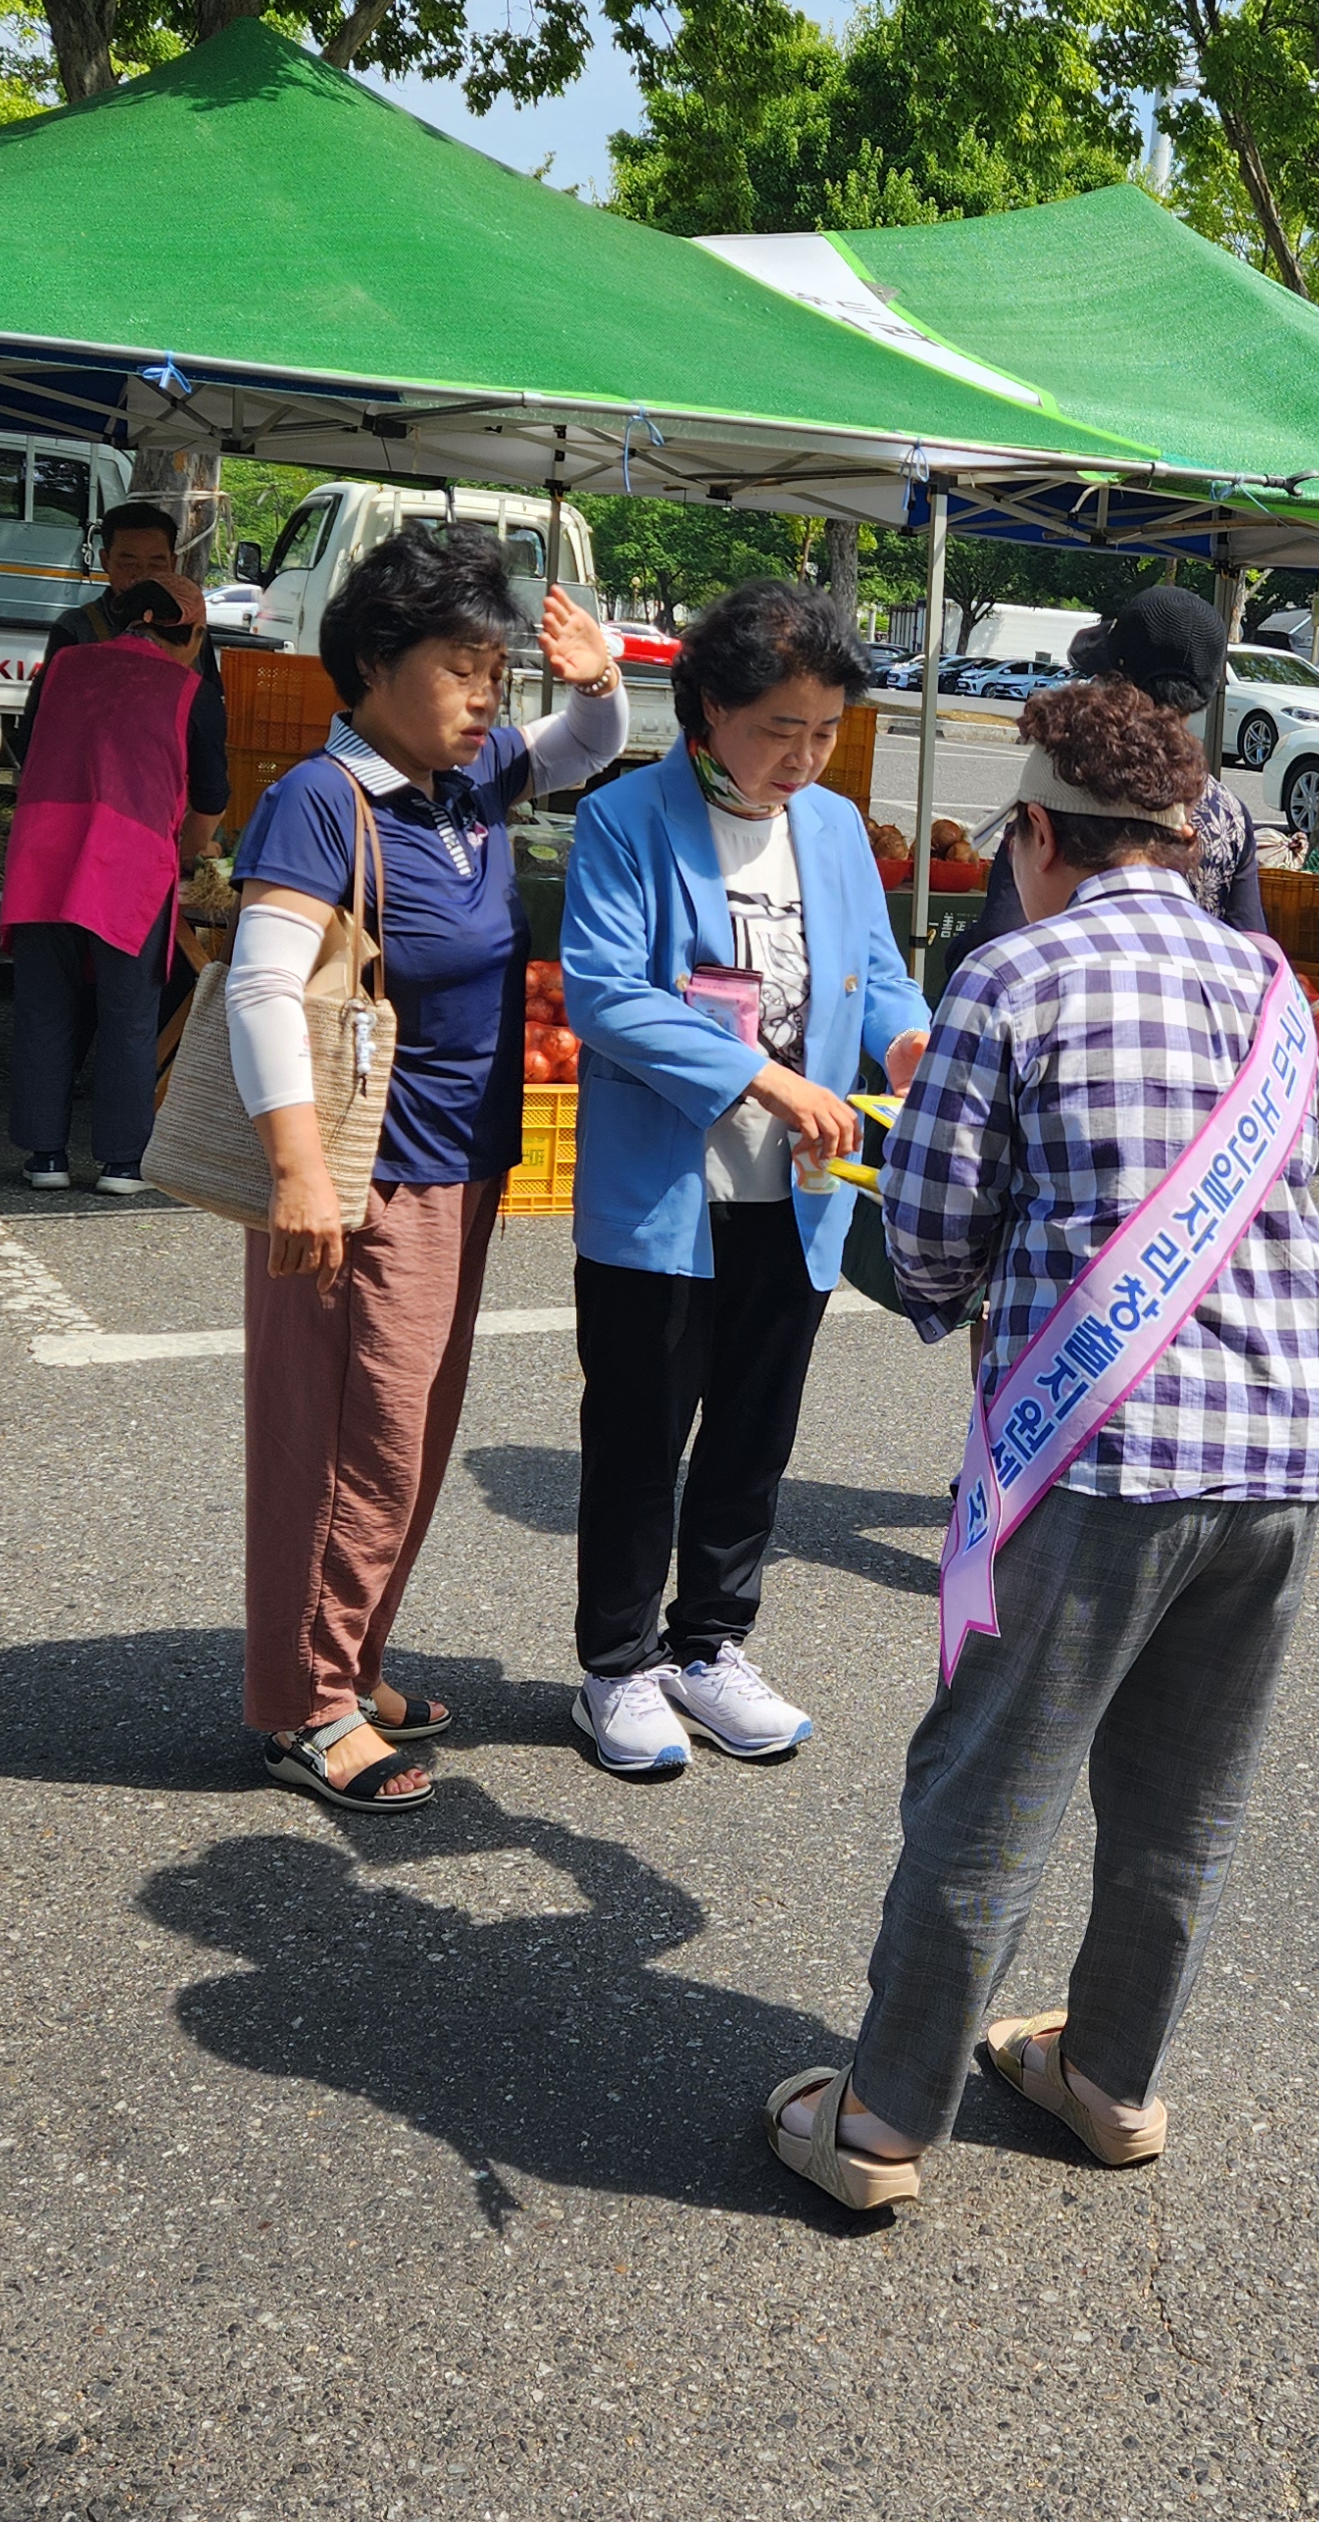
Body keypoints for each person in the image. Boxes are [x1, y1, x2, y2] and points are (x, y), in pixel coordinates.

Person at [767, 678, 1319, 2214]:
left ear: (1036, 830)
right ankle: (1110, 2078)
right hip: (1282, 1446)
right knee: (1182, 1799)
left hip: (1100, 1449)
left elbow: (939, 1250)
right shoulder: (1272, 985)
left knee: (991, 1791)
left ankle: (882, 2124)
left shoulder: (1012, 980)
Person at [222, 528, 624, 1817]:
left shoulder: (460, 785)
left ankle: (352, 1659)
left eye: (496, 673)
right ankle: (306, 1705)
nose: (486, 698)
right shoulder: (322, 799)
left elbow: (583, 746)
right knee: (350, 1442)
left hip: (462, 1164)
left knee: (407, 1436)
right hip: (367, 1174)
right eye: (462, 670)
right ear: (374, 666)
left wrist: (595, 680)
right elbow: (262, 983)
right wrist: (298, 1176)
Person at [556, 582, 936, 1777]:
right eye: (782, 727)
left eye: (824, 731)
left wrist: (912, 1042)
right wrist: (767, 1083)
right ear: (711, 708)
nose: (804, 756)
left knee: (752, 1435)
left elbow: (875, 976)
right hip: (666, 1195)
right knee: (638, 1432)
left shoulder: (829, 826)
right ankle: (615, 1669)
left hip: (801, 1193)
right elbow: (605, 994)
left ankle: (710, 1647)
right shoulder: (626, 818)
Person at [1, 569, 211, 1197]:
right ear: (191, 632)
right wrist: (190, 855)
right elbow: (211, 796)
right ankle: (123, 1162)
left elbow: (27, 743)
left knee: (45, 1004)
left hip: (43, 849)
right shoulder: (188, 689)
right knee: (128, 1011)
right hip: (128, 859)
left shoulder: (64, 666)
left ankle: (45, 1158)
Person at [963, 586, 1268, 948]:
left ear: (1113, 679)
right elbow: (1250, 936)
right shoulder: (1228, 812)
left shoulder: (1072, 780)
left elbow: (1003, 928)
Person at [29, 499, 230, 848]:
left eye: (156, 562)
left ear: (174, 562)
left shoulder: (191, 627)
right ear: (106, 560)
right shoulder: (77, 631)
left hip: (170, 807)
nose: (143, 574)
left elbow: (209, 720)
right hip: (80, 814)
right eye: (128, 561)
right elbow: (37, 730)